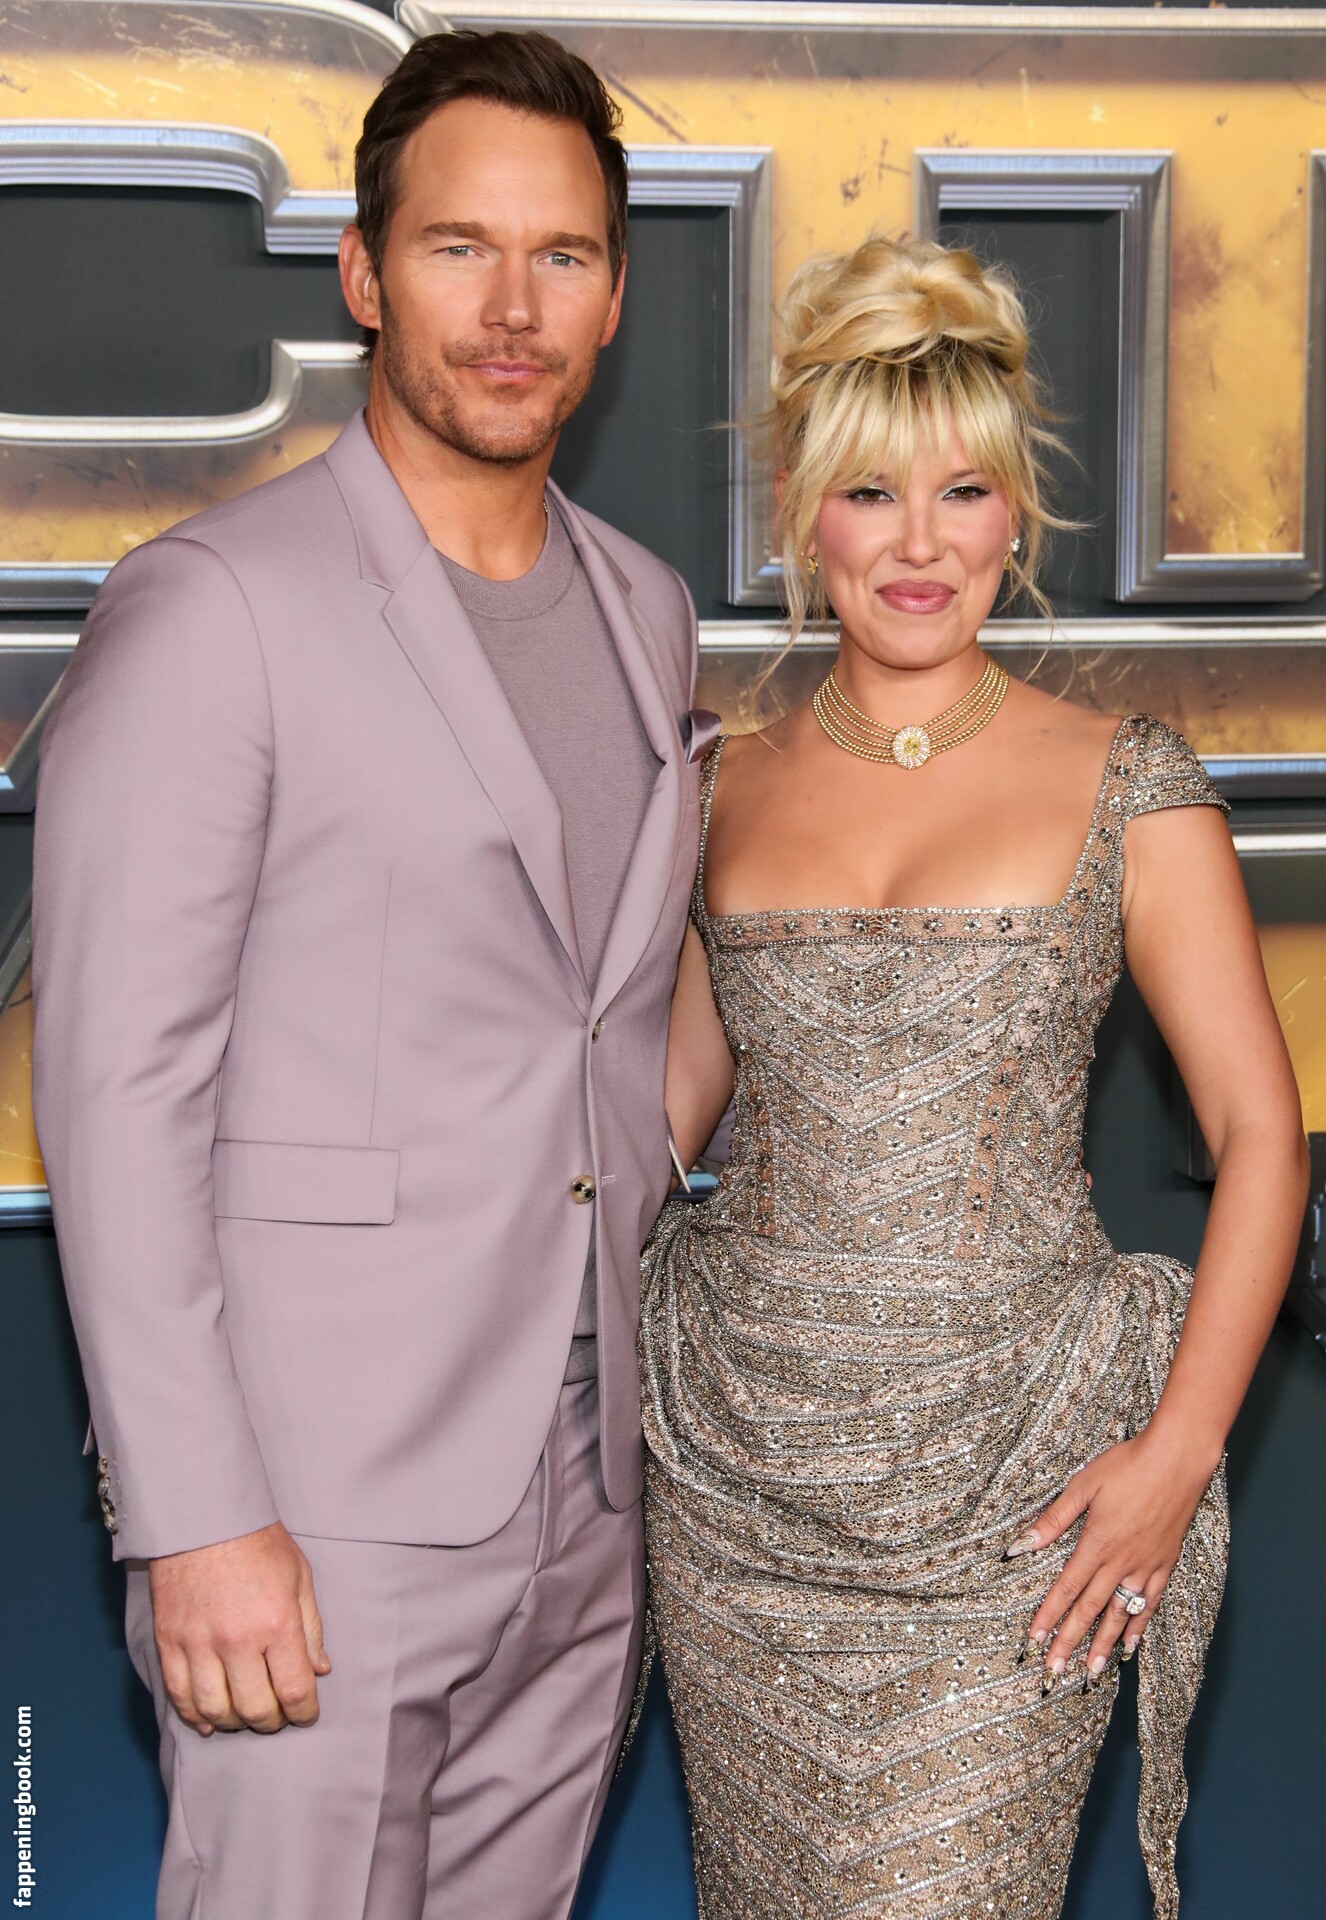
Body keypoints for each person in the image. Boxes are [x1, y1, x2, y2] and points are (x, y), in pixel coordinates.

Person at [33, 30, 710, 1920]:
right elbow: (117, 1094)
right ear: (359, 271)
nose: (512, 309)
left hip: (589, 1486)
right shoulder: (215, 605)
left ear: (615, 295)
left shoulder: (646, 607)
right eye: (456, 248)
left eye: (561, 256)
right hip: (309, 1503)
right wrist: (194, 1516)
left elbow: (607, 1022)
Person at [640, 235, 1308, 1920]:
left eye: (962, 492)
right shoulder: (718, 787)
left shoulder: (1128, 782)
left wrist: (1174, 1456)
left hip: (1016, 1489)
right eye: (870, 493)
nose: (919, 544)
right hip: (736, 1488)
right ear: (801, 513)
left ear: (1016, 514)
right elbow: (651, 1130)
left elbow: (1261, 1137)